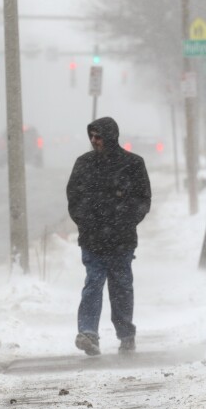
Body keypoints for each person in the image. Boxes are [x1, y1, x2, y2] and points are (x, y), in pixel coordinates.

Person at [66, 117, 151, 356]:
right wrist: (87, 222)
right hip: (92, 240)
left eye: (98, 136)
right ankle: (88, 333)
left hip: (121, 240)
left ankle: (126, 334)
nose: (94, 141)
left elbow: (143, 199)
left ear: (111, 137)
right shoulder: (84, 164)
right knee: (93, 283)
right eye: (91, 136)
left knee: (121, 286)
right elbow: (74, 198)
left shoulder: (133, 164)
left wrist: (124, 219)